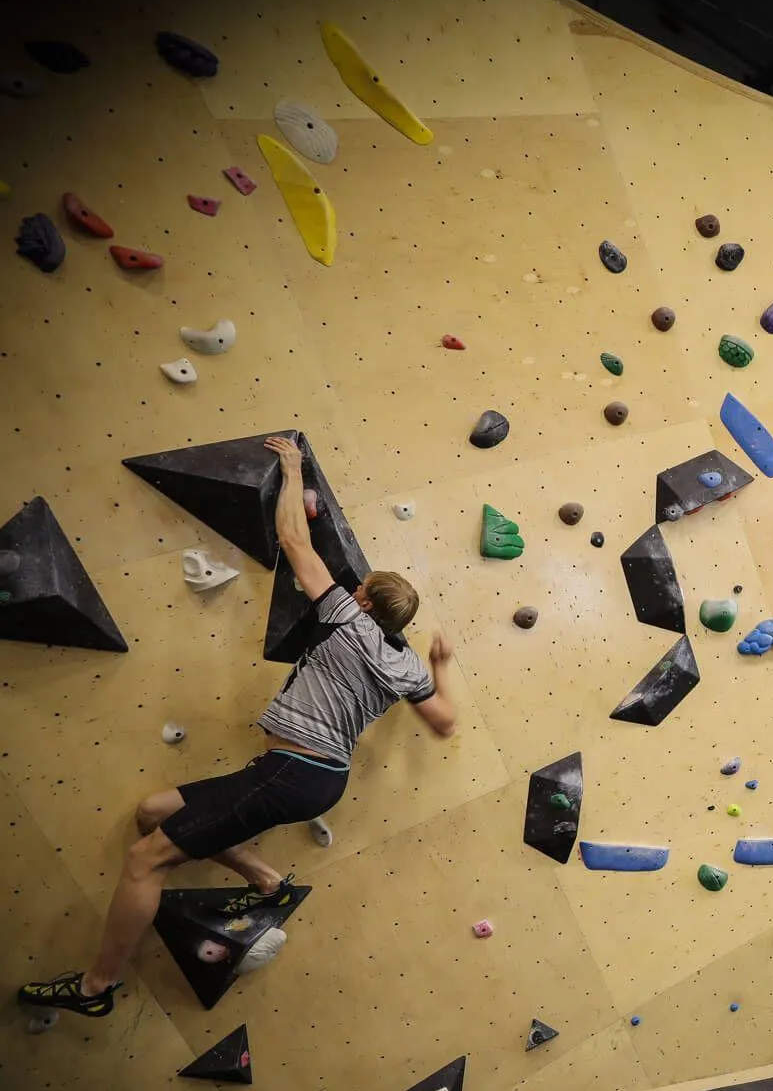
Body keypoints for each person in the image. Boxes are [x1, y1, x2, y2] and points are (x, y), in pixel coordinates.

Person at [18, 434, 459, 1018]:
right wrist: (441, 666)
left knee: (144, 859)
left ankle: (96, 988)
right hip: (310, 775)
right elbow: (445, 722)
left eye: (360, 590)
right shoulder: (404, 664)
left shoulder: (351, 620)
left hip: (295, 772)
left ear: (366, 601)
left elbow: (293, 540)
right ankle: (265, 879)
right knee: (153, 812)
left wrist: (293, 464)